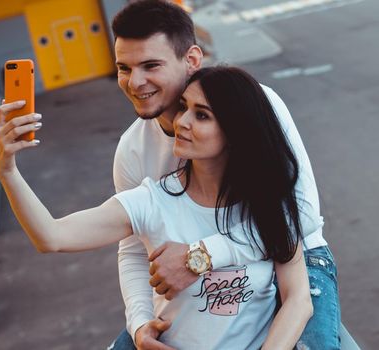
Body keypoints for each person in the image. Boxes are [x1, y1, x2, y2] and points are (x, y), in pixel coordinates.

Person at [0, 65, 313, 349]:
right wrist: (7, 171)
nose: (182, 121)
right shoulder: (152, 201)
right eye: (184, 107)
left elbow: (298, 298)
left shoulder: (264, 201)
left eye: (202, 115)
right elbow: (52, 236)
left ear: (234, 133)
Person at [106, 1, 339, 349]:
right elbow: (133, 248)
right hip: (202, 282)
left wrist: (199, 255)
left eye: (150, 65)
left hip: (293, 259)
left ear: (193, 60)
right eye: (124, 68)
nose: (135, 82)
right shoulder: (132, 150)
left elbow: (300, 216)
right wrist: (140, 323)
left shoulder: (257, 104)